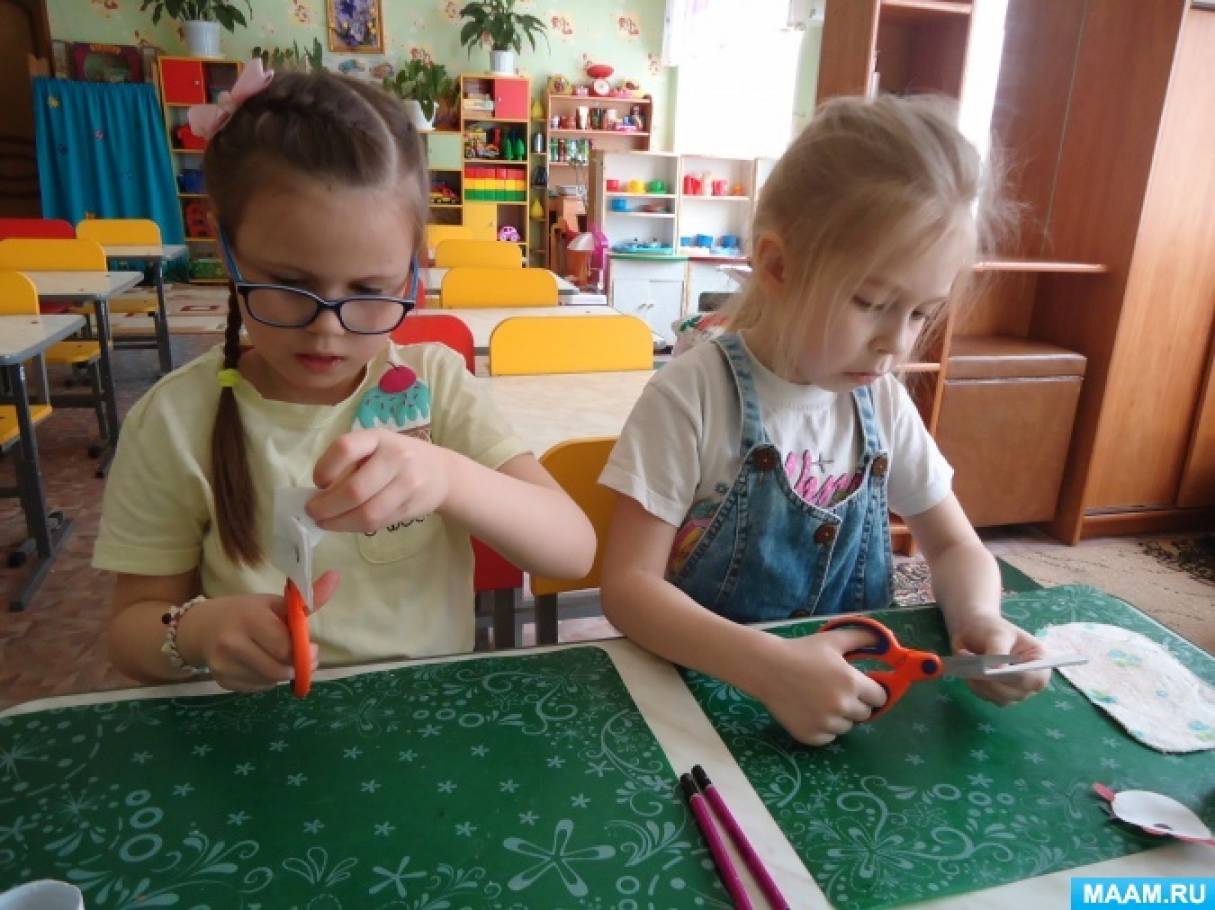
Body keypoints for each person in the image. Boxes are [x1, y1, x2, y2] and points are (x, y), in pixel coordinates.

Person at [97, 63, 595, 692]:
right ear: (228, 253)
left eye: (370, 290)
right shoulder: (174, 418)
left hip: (422, 714)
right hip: (258, 725)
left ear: (411, 273)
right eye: (290, 285)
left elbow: (573, 549)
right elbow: (129, 631)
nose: (328, 328)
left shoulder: (433, 385)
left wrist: (449, 478)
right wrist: (195, 632)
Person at [599, 95, 1049, 746]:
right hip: (707, 705)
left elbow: (954, 546)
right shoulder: (690, 395)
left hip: (859, 703)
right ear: (778, 266)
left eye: (921, 313)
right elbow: (628, 588)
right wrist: (770, 668)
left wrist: (980, 619)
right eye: (870, 302)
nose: (896, 343)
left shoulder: (881, 401)